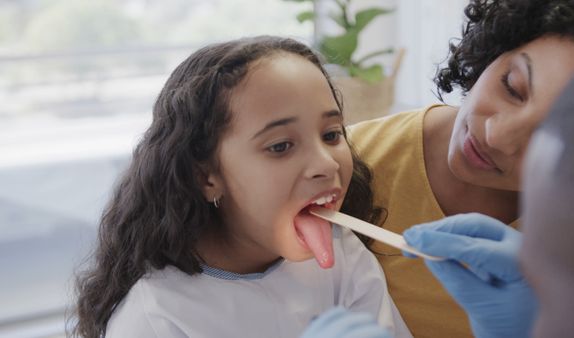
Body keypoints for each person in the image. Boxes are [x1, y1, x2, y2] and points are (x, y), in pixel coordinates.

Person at [302, 18, 574, 338]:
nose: (497, 135)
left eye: (546, 133)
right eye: (512, 87)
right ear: (494, 50)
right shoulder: (338, 166)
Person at [71, 36, 410, 338]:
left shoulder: (344, 257)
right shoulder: (157, 319)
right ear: (206, 177)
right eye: (280, 146)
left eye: (331, 134)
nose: (327, 164)